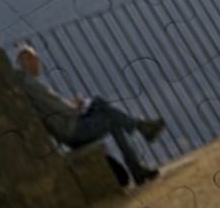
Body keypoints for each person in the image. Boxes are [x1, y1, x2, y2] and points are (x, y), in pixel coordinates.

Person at [13, 45, 166, 185]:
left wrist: (74, 105)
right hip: (72, 130)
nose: (38, 63)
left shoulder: (29, 82)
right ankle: (140, 135)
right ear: (25, 62)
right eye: (33, 59)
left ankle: (140, 144)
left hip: (68, 125)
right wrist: (76, 108)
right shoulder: (31, 83)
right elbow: (57, 107)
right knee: (112, 118)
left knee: (100, 105)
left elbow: (54, 106)